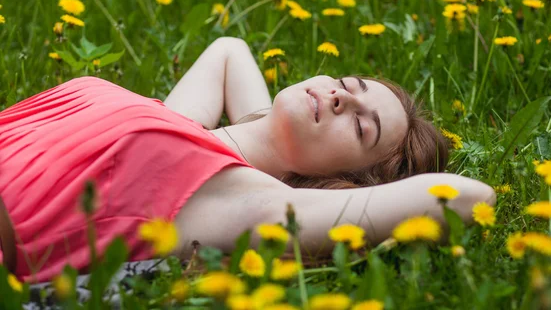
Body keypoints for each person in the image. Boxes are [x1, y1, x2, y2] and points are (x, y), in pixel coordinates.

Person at [0, 37, 495, 283]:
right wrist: (260, 128)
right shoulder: (181, 125)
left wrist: (324, 201)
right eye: (346, 84)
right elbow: (229, 51)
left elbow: (471, 197)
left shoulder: (240, 200)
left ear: (345, 182)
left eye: (363, 128)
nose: (342, 99)